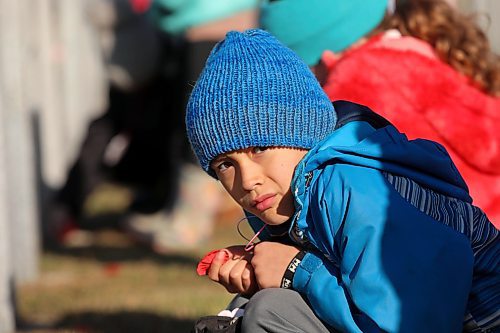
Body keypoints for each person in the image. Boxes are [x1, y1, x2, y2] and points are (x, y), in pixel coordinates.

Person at [186, 29, 499, 332]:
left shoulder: (355, 187)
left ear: (302, 132)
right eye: (226, 164)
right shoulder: (286, 193)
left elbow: (413, 323)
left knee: (270, 312)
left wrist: (296, 270)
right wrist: (260, 266)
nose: (248, 180)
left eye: (261, 148)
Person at [260, 0, 500, 228]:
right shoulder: (420, 52)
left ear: (317, 59)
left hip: (456, 251)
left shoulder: (352, 86)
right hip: (484, 237)